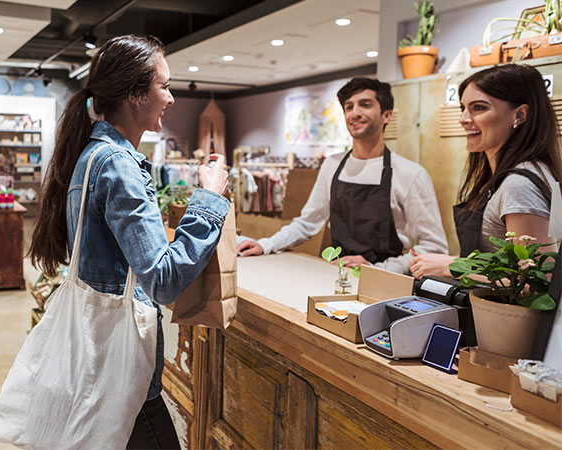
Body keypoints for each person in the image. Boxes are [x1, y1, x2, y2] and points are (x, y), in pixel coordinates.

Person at [27, 35, 229, 449]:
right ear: (137, 95)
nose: (171, 99)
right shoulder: (119, 167)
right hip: (120, 370)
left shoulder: (92, 155)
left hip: (96, 360)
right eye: (165, 86)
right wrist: (209, 198)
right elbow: (162, 279)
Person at [237, 78, 447, 274]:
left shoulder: (411, 174)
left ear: (387, 115)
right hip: (337, 276)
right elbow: (307, 223)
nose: (354, 113)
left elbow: (433, 248)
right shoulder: (332, 165)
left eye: (365, 104)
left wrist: (377, 269)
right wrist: (266, 244)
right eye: (349, 107)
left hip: (386, 283)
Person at [410, 64, 562, 278]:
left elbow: (538, 283)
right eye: (463, 108)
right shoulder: (514, 175)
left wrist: (453, 266)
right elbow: (501, 262)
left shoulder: (520, 185)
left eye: (479, 108)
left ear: (519, 115)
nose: (463, 119)